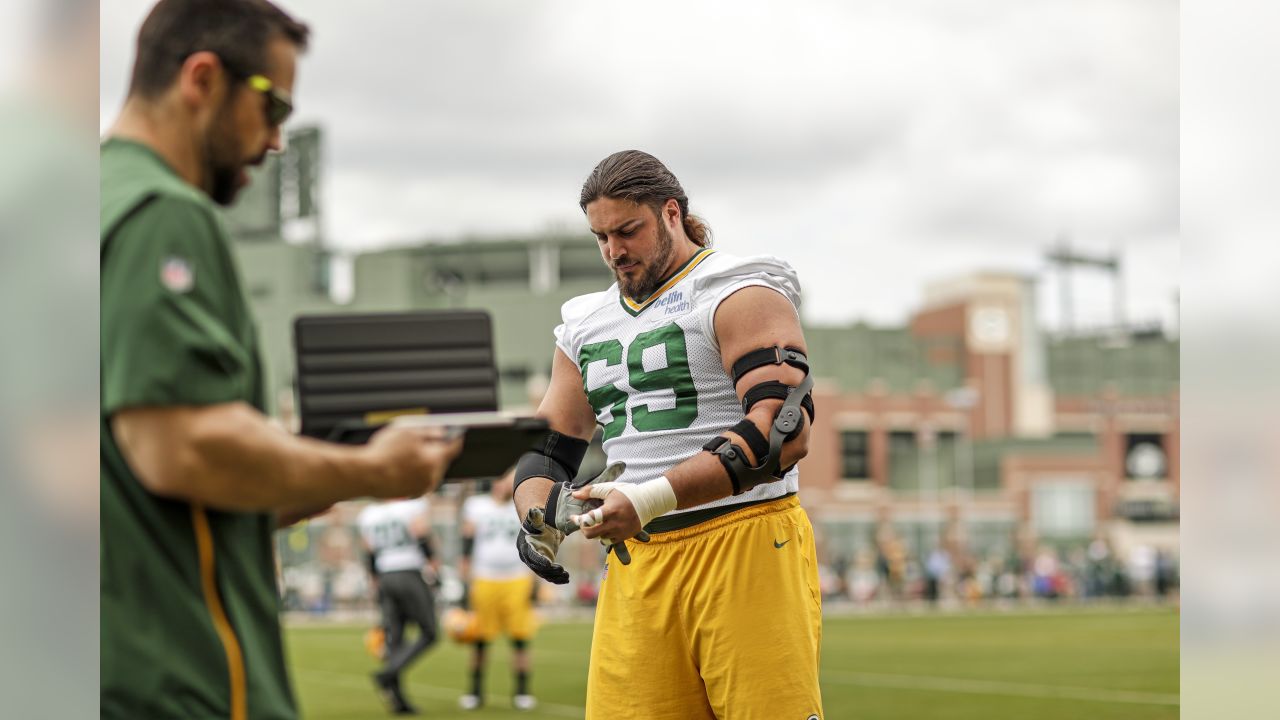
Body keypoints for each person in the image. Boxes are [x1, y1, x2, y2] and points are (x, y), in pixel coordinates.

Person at [100, 2, 462, 718]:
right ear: (201, 78)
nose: (274, 142)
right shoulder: (163, 213)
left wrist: (329, 472)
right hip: (181, 681)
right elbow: (183, 450)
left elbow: (159, 499)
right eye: (274, 107)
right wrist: (373, 469)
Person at [510, 150, 823, 719]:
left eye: (627, 230)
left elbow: (783, 432)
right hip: (639, 559)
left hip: (743, 539)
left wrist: (649, 498)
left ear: (672, 213)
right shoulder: (585, 321)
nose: (614, 251)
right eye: (600, 237)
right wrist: (539, 516)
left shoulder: (737, 289)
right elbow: (549, 444)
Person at [458, 476, 540, 711]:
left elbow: (534, 542)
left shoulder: (523, 505)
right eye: (501, 479)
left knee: (520, 639)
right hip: (485, 578)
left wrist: (534, 582)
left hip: (517, 578)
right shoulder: (477, 505)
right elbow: (467, 543)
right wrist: (465, 582)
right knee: (480, 640)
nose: (503, 485)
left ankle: (522, 691)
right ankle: (475, 692)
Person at [358, 496, 443, 715]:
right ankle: (388, 674)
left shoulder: (368, 513)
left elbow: (368, 550)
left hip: (385, 575)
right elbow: (420, 532)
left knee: (394, 638)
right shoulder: (412, 506)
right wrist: (434, 567)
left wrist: (375, 580)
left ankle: (398, 701)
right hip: (408, 572)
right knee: (430, 632)